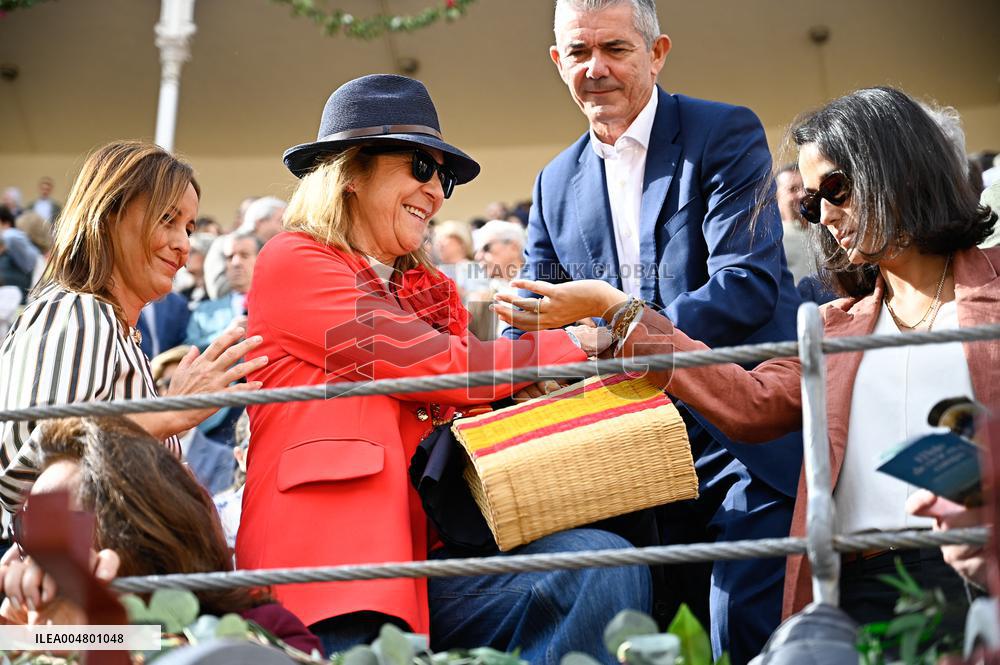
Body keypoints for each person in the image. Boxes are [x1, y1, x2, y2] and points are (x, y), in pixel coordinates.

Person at [495, 86, 998, 636]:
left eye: (837, 188)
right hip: (864, 595)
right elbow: (746, 401)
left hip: (983, 570)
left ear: (899, 169)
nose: (825, 215)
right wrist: (616, 309)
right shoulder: (829, 325)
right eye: (809, 202)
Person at [238, 73, 649, 662]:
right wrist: (580, 345)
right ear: (350, 172)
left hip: (434, 555)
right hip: (333, 571)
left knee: (601, 565)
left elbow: (472, 394)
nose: (436, 192)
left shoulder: (433, 289)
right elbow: (433, 366)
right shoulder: (292, 258)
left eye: (445, 177)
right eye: (420, 167)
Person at [513, 0, 802, 660]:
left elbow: (746, 284)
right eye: (580, 53)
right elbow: (532, 319)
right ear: (558, 62)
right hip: (626, 450)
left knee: (738, 624)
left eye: (616, 49)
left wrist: (621, 336)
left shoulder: (723, 132)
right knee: (635, 633)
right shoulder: (554, 181)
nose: (596, 68)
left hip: (742, 435)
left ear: (658, 52)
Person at [0, 140, 267, 519]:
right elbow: (40, 471)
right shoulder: (80, 311)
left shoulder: (109, 325)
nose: (183, 245)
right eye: (167, 219)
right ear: (109, 215)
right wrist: (174, 412)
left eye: (189, 228)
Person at [0, 416, 323, 656]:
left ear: (131, 533)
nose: (19, 555)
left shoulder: (259, 630)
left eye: (50, 528)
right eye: (25, 528)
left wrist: (90, 635)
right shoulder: (29, 635)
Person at [151, 345, 236, 495]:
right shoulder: (143, 449)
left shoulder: (222, 456)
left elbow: (218, 512)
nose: (180, 389)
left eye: (190, 382)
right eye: (166, 383)